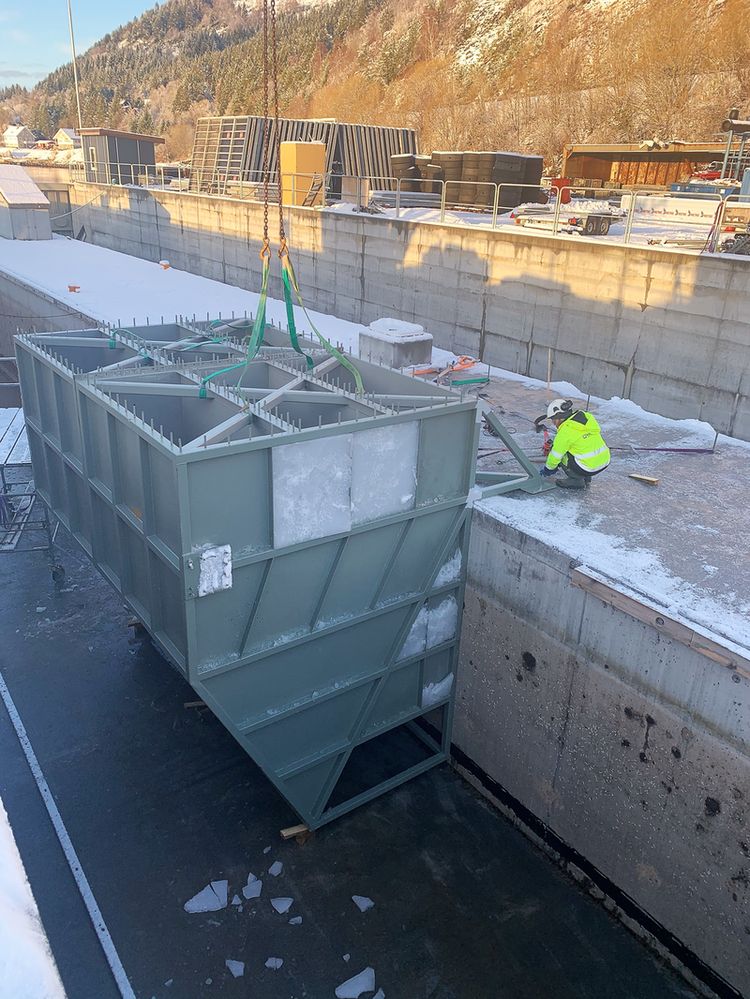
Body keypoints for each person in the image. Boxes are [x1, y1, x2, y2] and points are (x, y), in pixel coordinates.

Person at [537, 399, 610, 489]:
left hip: (587, 467)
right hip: (604, 460)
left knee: (559, 452)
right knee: (581, 446)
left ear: (559, 416)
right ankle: (587, 477)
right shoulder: (586, 417)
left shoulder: (565, 432)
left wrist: (548, 469)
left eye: (553, 419)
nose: (553, 423)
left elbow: (556, 455)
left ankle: (576, 480)